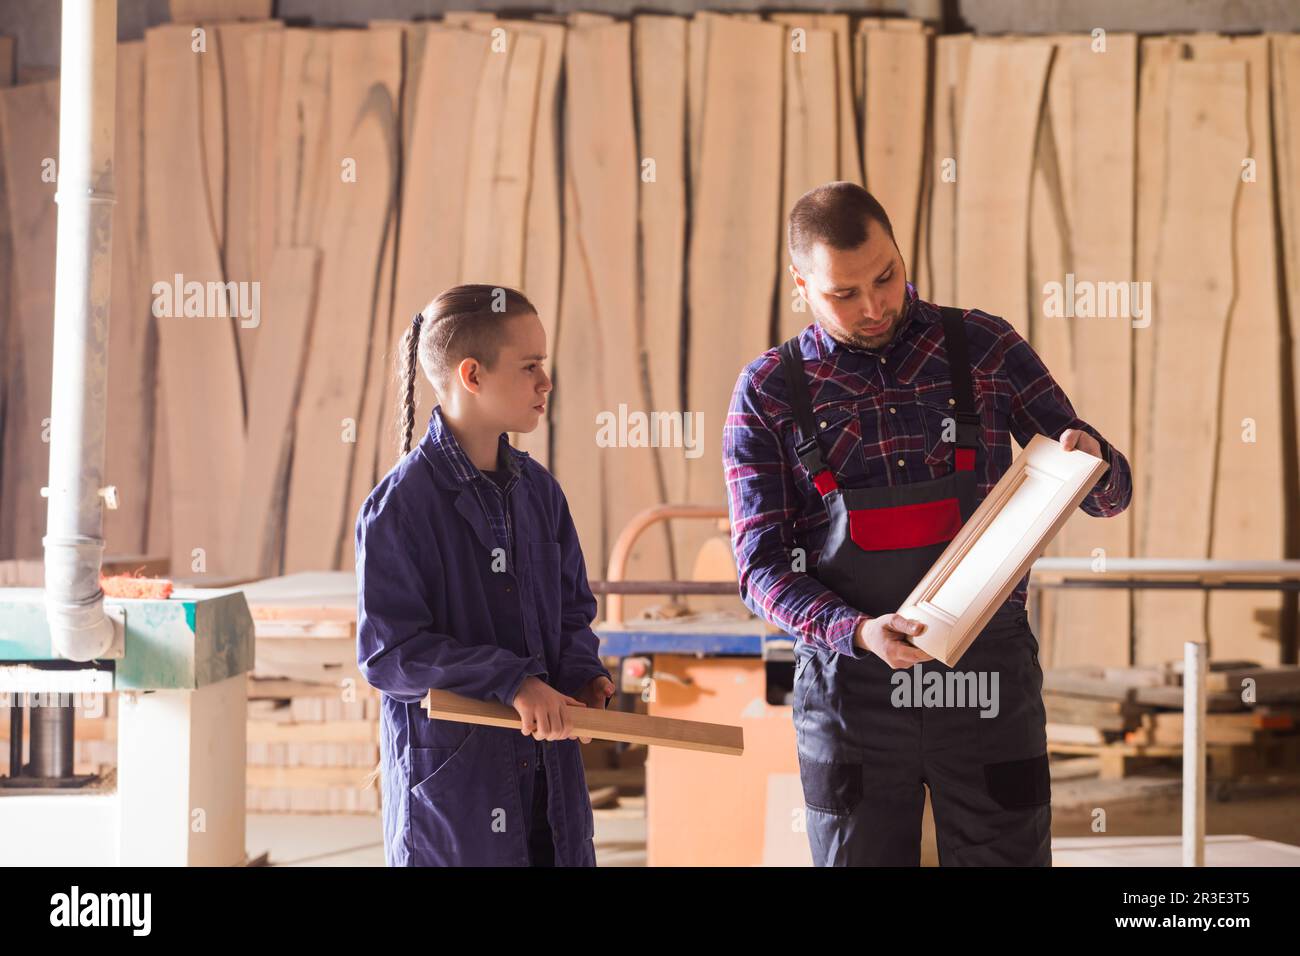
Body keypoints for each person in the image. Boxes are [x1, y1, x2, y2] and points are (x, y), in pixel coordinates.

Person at [723, 182, 1133, 866]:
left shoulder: (984, 346)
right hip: (852, 691)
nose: (875, 305)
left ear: (900, 251)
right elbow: (759, 570)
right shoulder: (768, 390)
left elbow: (1108, 498)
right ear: (801, 285)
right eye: (843, 294)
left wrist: (1094, 462)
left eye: (885, 276)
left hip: (988, 685)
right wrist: (855, 631)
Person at [356, 283, 616, 866]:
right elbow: (388, 654)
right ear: (471, 374)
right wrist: (512, 680)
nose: (546, 383)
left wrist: (581, 676)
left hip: (550, 786)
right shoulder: (399, 508)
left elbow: (573, 611)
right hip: (458, 794)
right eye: (530, 367)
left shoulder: (540, 493)